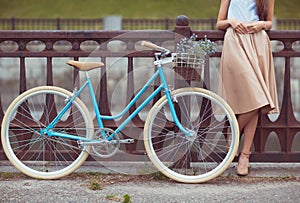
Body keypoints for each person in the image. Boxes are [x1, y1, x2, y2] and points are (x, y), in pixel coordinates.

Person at [216, 0, 279, 176]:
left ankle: (244, 154)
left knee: (257, 99)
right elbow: (219, 22)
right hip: (235, 41)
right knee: (256, 95)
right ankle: (235, 134)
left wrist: (260, 25)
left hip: (258, 41)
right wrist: (231, 21)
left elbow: (269, 22)